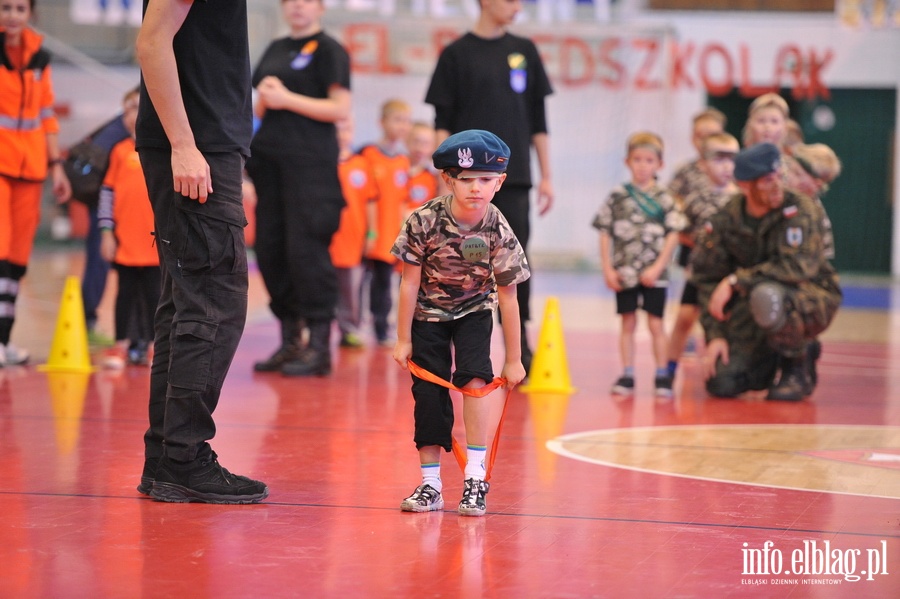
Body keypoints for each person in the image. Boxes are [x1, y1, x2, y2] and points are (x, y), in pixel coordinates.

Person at [135, 0, 268, 503]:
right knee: (213, 303)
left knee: (188, 305)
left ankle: (167, 458)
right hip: (198, 146)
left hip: (205, 142)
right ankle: (183, 457)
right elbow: (152, 42)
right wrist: (184, 144)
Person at [392, 129, 529, 517]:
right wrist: (403, 339)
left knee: (475, 383)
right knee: (429, 394)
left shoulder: (498, 229)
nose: (475, 188)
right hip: (428, 314)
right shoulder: (423, 221)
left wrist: (515, 359)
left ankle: (474, 476)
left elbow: (508, 296)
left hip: (474, 311)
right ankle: (431, 483)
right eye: (466, 180)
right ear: (448, 179)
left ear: (500, 182)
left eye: (485, 180)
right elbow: (408, 282)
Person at [424, 0, 554, 372]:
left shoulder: (524, 51)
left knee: (512, 261)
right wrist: (443, 179)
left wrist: (546, 174)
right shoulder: (455, 54)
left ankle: (519, 346)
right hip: (464, 182)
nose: (516, 6)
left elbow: (538, 120)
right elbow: (442, 121)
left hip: (511, 180)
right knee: (461, 259)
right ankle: (459, 343)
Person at [246, 0, 351, 377]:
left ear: (320, 7)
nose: (297, 7)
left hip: (311, 172)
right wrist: (262, 104)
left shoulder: (329, 49)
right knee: (272, 253)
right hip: (270, 169)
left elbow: (340, 108)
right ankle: (291, 341)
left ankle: (319, 348)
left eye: (305, 1)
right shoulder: (276, 48)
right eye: (290, 1)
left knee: (306, 254)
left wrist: (286, 98)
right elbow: (259, 106)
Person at [690, 143, 842, 402]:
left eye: (779, 176)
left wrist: (737, 280)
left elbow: (797, 266)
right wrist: (715, 336)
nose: (777, 186)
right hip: (754, 304)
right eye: (767, 181)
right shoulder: (725, 219)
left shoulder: (800, 209)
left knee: (767, 295)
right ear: (745, 185)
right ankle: (765, 361)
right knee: (722, 383)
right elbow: (706, 281)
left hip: (809, 296)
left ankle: (798, 362)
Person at [0, 0, 71, 366]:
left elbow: (46, 115)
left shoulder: (40, 58)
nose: (12, 15)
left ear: (31, 14)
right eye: (4, 7)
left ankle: (4, 339)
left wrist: (57, 166)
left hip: (30, 169)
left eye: (19, 8)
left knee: (16, 258)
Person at [592, 132, 682, 399]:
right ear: (627, 162)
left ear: (660, 165)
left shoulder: (666, 198)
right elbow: (604, 231)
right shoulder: (618, 195)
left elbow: (674, 235)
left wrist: (657, 268)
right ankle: (627, 373)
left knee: (656, 324)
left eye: (649, 160)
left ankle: (662, 374)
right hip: (625, 272)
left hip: (656, 275)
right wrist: (608, 268)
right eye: (638, 160)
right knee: (627, 322)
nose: (643, 165)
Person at [665, 132, 740, 379]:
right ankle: (668, 368)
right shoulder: (695, 199)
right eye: (719, 159)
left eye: (732, 159)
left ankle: (728, 369)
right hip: (701, 273)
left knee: (729, 322)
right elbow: (681, 231)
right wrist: (702, 243)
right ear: (703, 163)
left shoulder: (741, 199)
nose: (727, 166)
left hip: (731, 276)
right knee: (685, 318)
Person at [98, 88, 160, 370]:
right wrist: (107, 232)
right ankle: (121, 345)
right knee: (123, 296)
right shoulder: (119, 152)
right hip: (125, 242)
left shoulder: (162, 151)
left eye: (136, 107)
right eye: (126, 110)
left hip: (155, 245)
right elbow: (107, 194)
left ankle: (154, 347)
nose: (130, 115)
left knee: (155, 298)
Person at [361, 99, 412, 346]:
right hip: (369, 233)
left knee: (385, 284)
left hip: (392, 235)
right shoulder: (367, 154)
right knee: (361, 281)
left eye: (406, 121)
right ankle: (358, 325)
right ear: (382, 122)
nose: (402, 126)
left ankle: (381, 328)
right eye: (397, 120)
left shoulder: (403, 161)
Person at [330, 116, 375, 349]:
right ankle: (313, 330)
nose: (341, 134)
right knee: (320, 286)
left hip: (353, 237)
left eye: (346, 129)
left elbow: (369, 201)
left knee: (351, 289)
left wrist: (371, 234)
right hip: (325, 237)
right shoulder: (321, 162)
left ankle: (350, 329)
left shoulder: (361, 164)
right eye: (336, 129)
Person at [668, 108, 727, 204]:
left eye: (713, 136)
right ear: (692, 138)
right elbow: (672, 203)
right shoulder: (684, 172)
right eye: (701, 136)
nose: (706, 142)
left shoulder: (734, 170)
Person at [405, 120, 438, 217]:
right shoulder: (398, 169)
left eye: (426, 143)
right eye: (416, 141)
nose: (420, 148)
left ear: (433, 146)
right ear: (407, 141)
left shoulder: (434, 175)